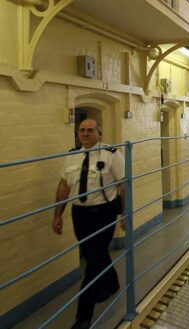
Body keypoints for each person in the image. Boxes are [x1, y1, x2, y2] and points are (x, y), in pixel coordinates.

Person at [52, 119, 125, 329]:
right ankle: (112, 283)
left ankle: (83, 317)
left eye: (90, 130)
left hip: (104, 211)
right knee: (94, 252)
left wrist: (125, 214)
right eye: (81, 131)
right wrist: (57, 214)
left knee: (92, 261)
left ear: (99, 134)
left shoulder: (112, 155)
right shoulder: (72, 155)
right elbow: (64, 185)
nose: (85, 134)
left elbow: (123, 186)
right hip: (79, 214)